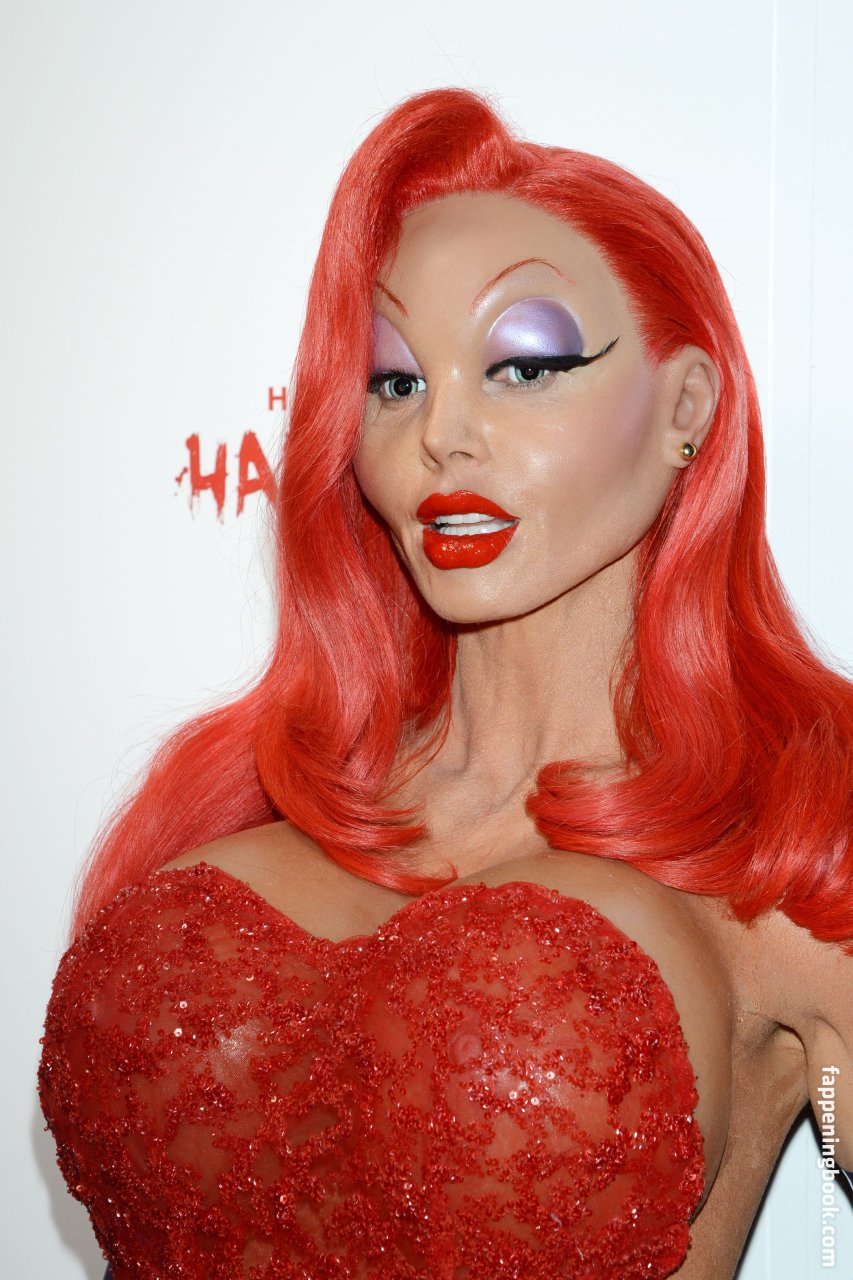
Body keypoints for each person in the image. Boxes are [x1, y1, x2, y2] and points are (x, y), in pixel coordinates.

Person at [38, 87, 853, 1279]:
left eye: (523, 367)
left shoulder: (795, 856)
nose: (443, 434)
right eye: (395, 381)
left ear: (686, 405)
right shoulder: (251, 797)